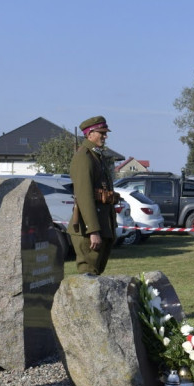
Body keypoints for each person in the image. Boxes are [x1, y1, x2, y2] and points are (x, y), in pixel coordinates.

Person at [69, 115, 118, 275]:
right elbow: (84, 197)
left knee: (95, 276)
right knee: (88, 278)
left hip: (102, 225)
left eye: (105, 133)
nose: (105, 136)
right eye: (101, 133)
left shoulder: (96, 156)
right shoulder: (84, 157)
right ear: (90, 134)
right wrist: (93, 231)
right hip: (89, 230)